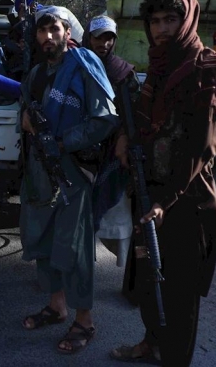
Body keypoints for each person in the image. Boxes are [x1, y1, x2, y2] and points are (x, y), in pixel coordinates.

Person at [111, 0, 216, 366]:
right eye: (155, 21)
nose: (161, 28)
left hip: (186, 197)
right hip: (149, 189)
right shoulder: (157, 66)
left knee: (179, 291)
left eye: (170, 20)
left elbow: (202, 146)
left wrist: (166, 199)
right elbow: (142, 123)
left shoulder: (207, 66)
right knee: (148, 275)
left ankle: (174, 357)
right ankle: (151, 343)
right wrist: (125, 139)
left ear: (187, 20)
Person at [19, 7, 119, 355]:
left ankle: (85, 321)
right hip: (39, 171)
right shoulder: (34, 74)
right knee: (43, 240)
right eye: (42, 30)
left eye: (55, 29)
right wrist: (27, 122)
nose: (48, 36)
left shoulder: (84, 63)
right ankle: (57, 306)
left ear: (67, 32)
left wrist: (62, 143)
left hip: (73, 171)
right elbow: (26, 109)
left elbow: (105, 119)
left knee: (74, 248)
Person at [85, 15, 136, 268]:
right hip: (81, 147)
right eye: (98, 37)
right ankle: (79, 267)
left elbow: (131, 111)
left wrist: (124, 139)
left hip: (113, 147)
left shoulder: (122, 71)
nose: (103, 43)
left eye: (108, 38)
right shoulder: (78, 65)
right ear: (89, 37)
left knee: (115, 210)